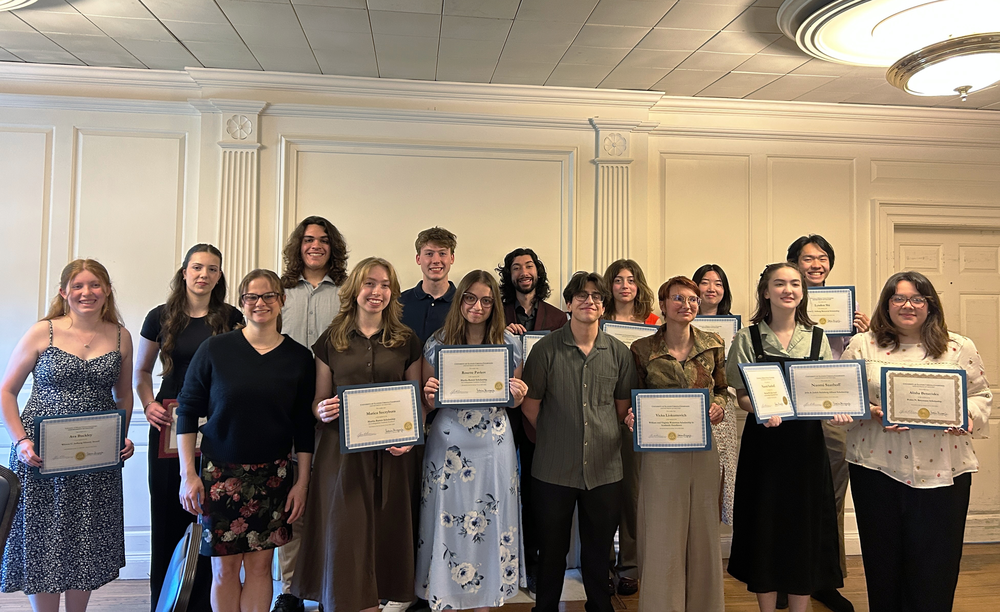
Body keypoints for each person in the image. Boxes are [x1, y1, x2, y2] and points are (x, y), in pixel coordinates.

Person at [842, 271, 991, 612]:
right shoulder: (862, 345)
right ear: (887, 304)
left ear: (930, 304)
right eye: (898, 298)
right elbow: (844, 396)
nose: (907, 306)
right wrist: (874, 411)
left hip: (945, 469)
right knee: (883, 558)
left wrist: (967, 415)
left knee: (936, 561)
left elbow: (981, 395)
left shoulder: (958, 346)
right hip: (876, 466)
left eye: (917, 299)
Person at [177, 269, 316, 612]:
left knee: (259, 568)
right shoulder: (214, 350)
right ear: (242, 303)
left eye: (269, 295)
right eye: (252, 297)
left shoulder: (299, 358)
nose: (261, 303)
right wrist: (188, 474)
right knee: (224, 570)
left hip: (274, 477)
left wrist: (302, 482)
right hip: (219, 476)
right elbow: (188, 411)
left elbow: (303, 426)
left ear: (282, 301)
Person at [1, 259, 136, 612]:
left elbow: (123, 395)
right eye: (78, 286)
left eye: (94, 285)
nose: (86, 292)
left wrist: (123, 435)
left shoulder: (121, 335)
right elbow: (6, 391)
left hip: (96, 456)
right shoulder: (42, 331)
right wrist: (20, 441)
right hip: (40, 455)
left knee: (86, 538)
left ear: (107, 291)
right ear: (64, 292)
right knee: (44, 539)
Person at [292, 257, 424, 612]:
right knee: (345, 540)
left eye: (384, 285)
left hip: (392, 458)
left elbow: (416, 404)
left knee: (383, 540)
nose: (376, 292)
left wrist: (410, 438)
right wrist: (321, 411)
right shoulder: (331, 339)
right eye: (369, 283)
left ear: (392, 293)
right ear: (355, 289)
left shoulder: (407, 340)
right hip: (341, 457)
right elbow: (318, 403)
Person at [725, 262, 846, 612]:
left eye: (795, 284)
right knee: (764, 528)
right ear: (766, 291)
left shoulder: (819, 339)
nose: (788, 290)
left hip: (807, 449)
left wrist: (833, 409)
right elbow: (741, 394)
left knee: (802, 531)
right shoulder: (746, 339)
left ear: (803, 291)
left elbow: (827, 392)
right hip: (764, 448)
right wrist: (760, 410)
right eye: (779, 284)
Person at [521, 271, 639, 612]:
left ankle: (599, 606)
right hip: (553, 468)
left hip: (605, 469)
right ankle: (544, 606)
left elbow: (620, 408)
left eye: (597, 297)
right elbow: (531, 407)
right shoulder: (545, 349)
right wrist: (560, 436)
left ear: (604, 305)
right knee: (552, 548)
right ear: (569, 303)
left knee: (598, 548)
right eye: (582, 296)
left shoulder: (618, 352)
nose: (590, 301)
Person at [135, 244, 243, 612]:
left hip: (216, 426)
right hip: (168, 424)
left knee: (209, 516)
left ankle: (203, 604)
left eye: (212, 269)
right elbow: (141, 372)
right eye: (197, 267)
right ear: (184, 272)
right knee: (167, 515)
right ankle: (164, 603)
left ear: (219, 276)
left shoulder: (232, 317)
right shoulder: (159, 317)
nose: (204, 275)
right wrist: (148, 404)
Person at [417, 270, 529, 611]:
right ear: (460, 299)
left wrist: (519, 396)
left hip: (494, 445)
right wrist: (429, 395)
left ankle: (486, 599)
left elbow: (513, 400)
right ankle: (445, 595)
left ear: (494, 304)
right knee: (446, 520)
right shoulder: (437, 342)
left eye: (485, 300)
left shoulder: (510, 344)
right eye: (470, 298)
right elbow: (427, 402)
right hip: (449, 444)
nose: (477, 306)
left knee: (491, 521)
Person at [626, 276, 727, 612]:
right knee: (662, 528)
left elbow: (724, 389)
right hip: (659, 452)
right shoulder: (641, 349)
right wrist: (632, 417)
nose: (687, 305)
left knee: (702, 530)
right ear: (663, 304)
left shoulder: (714, 343)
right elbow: (632, 397)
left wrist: (720, 406)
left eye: (693, 299)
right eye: (678, 298)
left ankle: (704, 604)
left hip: (702, 448)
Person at [786, 234, 869, 612]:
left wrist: (863, 332)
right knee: (790, 496)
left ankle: (823, 580)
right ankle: (786, 578)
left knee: (831, 498)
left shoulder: (843, 308)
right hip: (792, 413)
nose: (815, 264)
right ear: (794, 263)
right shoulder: (783, 301)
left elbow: (857, 357)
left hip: (834, 410)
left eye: (822, 258)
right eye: (807, 258)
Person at [274, 216, 349, 612]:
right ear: (298, 247)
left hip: (335, 412)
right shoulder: (280, 290)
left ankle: (327, 585)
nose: (315, 246)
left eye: (322, 240)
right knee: (293, 501)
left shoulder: (346, 293)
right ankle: (289, 589)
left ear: (332, 247)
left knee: (330, 499)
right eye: (308, 240)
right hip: (285, 410)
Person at [495, 247, 566, 598]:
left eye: (529, 265)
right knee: (510, 492)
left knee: (540, 494)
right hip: (505, 418)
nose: (523, 271)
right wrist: (502, 333)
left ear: (538, 271)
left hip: (543, 417)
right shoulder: (496, 314)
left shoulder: (557, 318)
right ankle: (513, 562)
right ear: (508, 275)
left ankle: (537, 566)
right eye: (516, 267)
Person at [600, 258, 659, 596]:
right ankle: (603, 562)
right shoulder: (598, 320)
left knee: (632, 495)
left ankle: (630, 566)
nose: (625, 285)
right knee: (603, 495)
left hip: (640, 418)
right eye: (618, 279)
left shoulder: (653, 323)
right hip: (604, 412)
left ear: (639, 286)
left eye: (631, 279)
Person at [692, 264, 738, 526]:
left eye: (718, 283)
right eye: (705, 282)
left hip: (722, 404)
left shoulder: (734, 328)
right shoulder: (679, 320)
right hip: (688, 407)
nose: (712, 288)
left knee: (722, 469)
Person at [401, 227, 458, 344]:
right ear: (418, 259)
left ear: (452, 258)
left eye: (442, 253)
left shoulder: (464, 304)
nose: (436, 260)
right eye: (429, 254)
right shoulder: (399, 303)